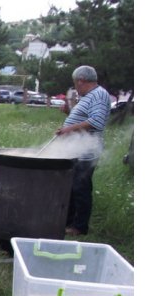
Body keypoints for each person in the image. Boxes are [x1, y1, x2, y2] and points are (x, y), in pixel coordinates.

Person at [56, 65, 111, 236]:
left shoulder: (99, 95)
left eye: (75, 83)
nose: (75, 87)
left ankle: (79, 227)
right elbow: (85, 118)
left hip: (87, 150)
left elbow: (96, 121)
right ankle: (69, 222)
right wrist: (69, 114)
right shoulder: (90, 96)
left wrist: (69, 129)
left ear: (80, 80)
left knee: (81, 187)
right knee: (73, 186)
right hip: (77, 149)